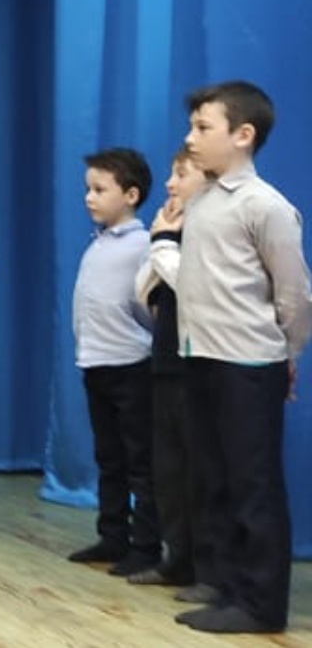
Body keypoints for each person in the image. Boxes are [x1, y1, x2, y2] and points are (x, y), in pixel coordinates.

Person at [164, 81, 311, 635]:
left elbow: (294, 294)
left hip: (247, 365)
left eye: (203, 127)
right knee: (215, 479)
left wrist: (286, 352)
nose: (191, 137)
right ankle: (228, 588)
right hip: (200, 357)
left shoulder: (266, 206)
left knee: (253, 484)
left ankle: (261, 604)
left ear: (243, 135)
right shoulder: (203, 200)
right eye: (192, 126)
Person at [66, 148, 159, 576]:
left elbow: (149, 306)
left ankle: (146, 546)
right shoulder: (98, 243)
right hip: (96, 364)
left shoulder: (144, 245)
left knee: (141, 460)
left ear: (131, 195)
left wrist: (139, 337)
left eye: (100, 189)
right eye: (88, 188)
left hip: (131, 367)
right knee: (109, 458)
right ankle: (112, 535)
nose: (89, 197)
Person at [131, 147, 207, 590]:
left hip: (199, 365)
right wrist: (161, 242)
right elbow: (144, 293)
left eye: (181, 174)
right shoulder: (175, 234)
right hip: (164, 360)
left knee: (199, 470)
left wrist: (162, 243)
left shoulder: (212, 234)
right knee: (169, 470)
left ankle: (208, 568)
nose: (170, 184)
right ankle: (176, 558)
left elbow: (198, 290)